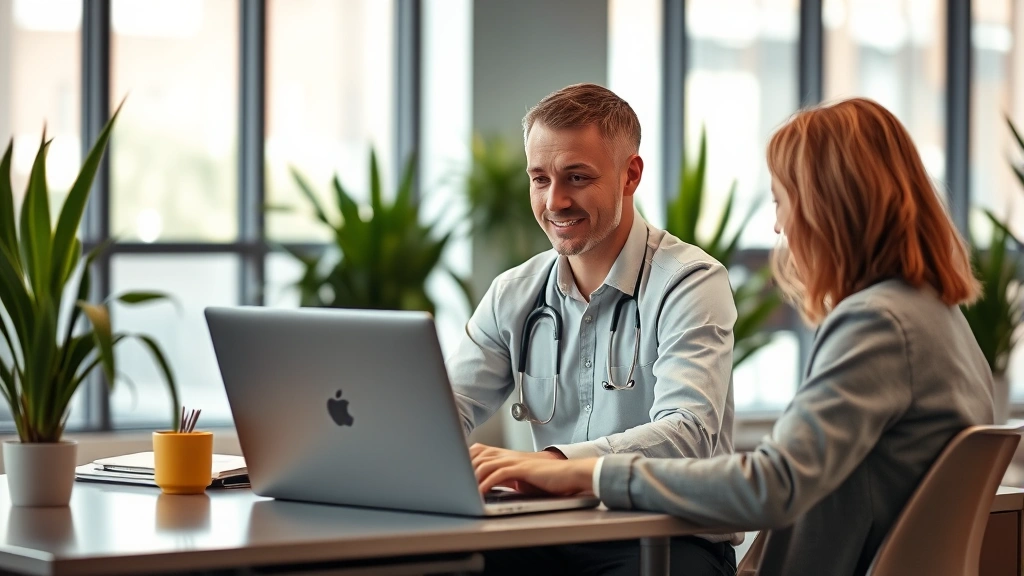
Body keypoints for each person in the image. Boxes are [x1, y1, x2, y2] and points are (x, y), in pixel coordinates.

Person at [472, 97, 995, 576]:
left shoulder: (877, 324)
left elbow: (771, 485)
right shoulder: (938, 317)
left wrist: (588, 473)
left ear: (831, 205)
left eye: (783, 200)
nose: (779, 226)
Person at [446, 83, 739, 574]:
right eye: (540, 179)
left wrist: (561, 464)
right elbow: (444, 409)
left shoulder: (690, 282)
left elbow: (688, 434)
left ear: (631, 175)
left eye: (576, 177)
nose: (555, 201)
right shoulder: (513, 293)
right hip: (551, 534)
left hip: (665, 539)